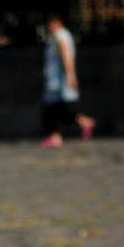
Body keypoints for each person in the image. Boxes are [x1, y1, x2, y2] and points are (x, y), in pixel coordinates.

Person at [40, 12, 96, 147]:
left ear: (57, 22)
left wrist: (70, 75)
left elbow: (66, 55)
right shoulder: (60, 36)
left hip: (58, 80)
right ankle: (84, 122)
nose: (49, 27)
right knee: (59, 109)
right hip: (56, 79)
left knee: (52, 109)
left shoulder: (60, 36)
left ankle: (56, 136)